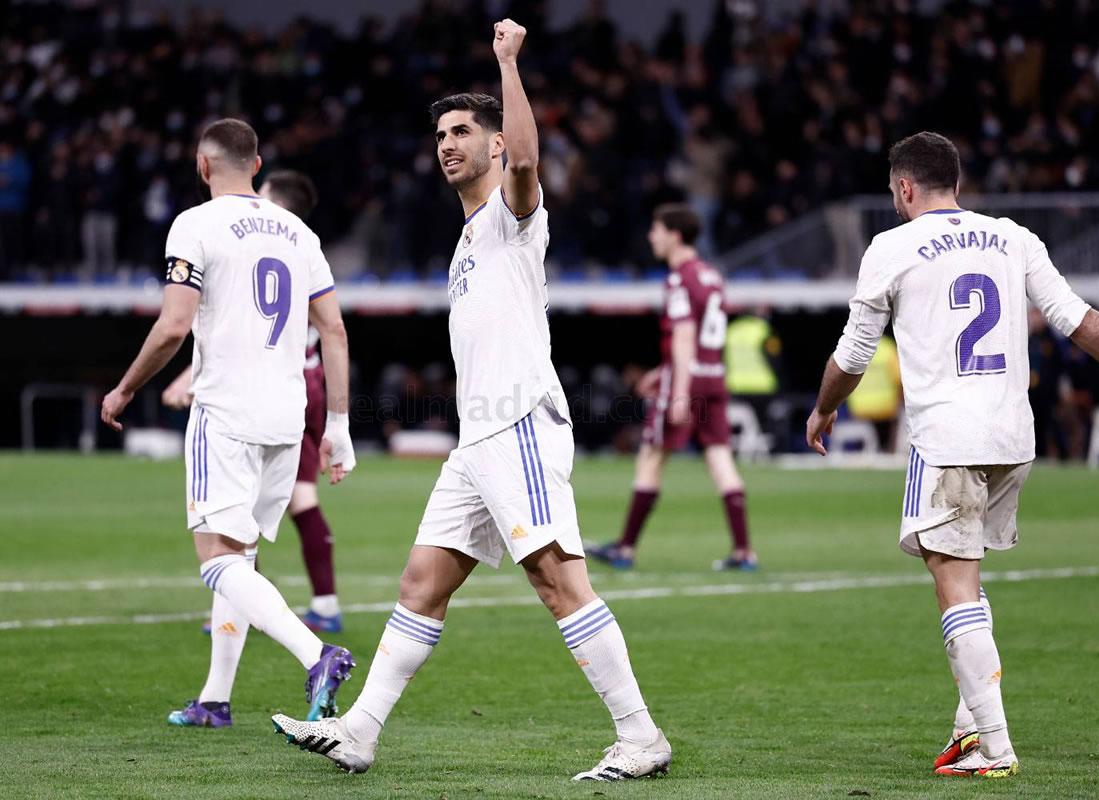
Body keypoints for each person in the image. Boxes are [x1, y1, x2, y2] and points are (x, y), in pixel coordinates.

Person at [270, 20, 671, 782]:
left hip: (518, 423)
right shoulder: (465, 241)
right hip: (478, 440)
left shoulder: (512, 217)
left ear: (491, 145)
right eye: (441, 134)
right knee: (421, 582)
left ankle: (641, 735)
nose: (447, 143)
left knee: (559, 582)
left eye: (463, 131)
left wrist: (507, 63)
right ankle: (358, 731)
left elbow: (525, 156)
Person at [805, 131, 1099, 778]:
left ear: (905, 188)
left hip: (946, 438)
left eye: (894, 191)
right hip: (1012, 437)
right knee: (967, 574)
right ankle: (969, 729)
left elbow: (854, 354)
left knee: (953, 582)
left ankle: (994, 746)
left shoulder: (891, 246)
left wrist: (826, 406)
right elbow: (1080, 322)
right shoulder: (1015, 236)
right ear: (958, 184)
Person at [100, 119, 359, 729]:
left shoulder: (195, 224)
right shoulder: (300, 231)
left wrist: (125, 388)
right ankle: (215, 699)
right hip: (288, 415)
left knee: (216, 560)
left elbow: (171, 327)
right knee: (239, 559)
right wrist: (339, 428)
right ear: (259, 162)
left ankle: (316, 653)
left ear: (202, 165)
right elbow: (336, 331)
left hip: (227, 410)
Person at [163, 169, 343, 633]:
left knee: (248, 510)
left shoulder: (266, 242)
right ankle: (296, 604)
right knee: (275, 504)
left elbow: (238, 334)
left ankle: (293, 616)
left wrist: (188, 377)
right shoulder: (303, 244)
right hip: (298, 387)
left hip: (272, 386)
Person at [585, 204, 755, 572]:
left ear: (675, 235)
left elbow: (684, 336)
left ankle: (625, 549)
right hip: (713, 376)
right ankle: (744, 552)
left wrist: (676, 389)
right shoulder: (712, 276)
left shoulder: (679, 279)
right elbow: (703, 339)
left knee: (650, 457)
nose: (652, 237)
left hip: (688, 381)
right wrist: (661, 372)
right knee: (721, 459)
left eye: (656, 229)